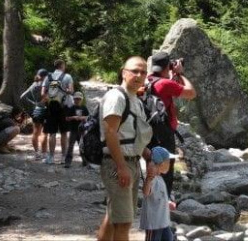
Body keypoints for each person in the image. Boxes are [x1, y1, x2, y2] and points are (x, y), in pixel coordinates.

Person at [97, 56, 153, 241]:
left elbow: (130, 135)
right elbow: (110, 132)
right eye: (134, 71)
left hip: (132, 163)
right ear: (124, 72)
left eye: (143, 72)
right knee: (124, 223)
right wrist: (121, 167)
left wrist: (147, 156)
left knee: (114, 218)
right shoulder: (116, 96)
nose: (139, 75)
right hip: (117, 164)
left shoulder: (135, 100)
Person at [147, 51, 196, 199]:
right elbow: (191, 93)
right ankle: (164, 203)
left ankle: (153, 197)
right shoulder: (165, 83)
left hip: (149, 131)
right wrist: (180, 74)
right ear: (167, 67)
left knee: (153, 166)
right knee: (166, 170)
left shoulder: (147, 81)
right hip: (164, 134)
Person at [40, 59, 74, 165]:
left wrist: (49, 99)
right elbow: (71, 91)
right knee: (64, 133)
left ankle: (50, 157)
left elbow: (42, 93)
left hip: (51, 107)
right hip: (64, 107)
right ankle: (63, 157)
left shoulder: (48, 77)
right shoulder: (67, 77)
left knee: (52, 133)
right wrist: (64, 90)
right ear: (62, 66)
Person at [140, 146, 178, 241]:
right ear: (160, 164)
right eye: (168, 162)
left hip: (163, 221)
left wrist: (167, 203)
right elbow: (145, 192)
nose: (169, 164)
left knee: (169, 238)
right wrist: (148, 179)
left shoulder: (160, 179)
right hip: (153, 224)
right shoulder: (152, 179)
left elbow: (159, 196)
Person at [20, 68, 48, 160]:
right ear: (45, 76)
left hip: (36, 111)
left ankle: (37, 153)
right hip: (45, 110)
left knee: (35, 133)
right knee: (44, 132)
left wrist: (30, 110)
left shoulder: (33, 85)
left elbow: (22, 97)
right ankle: (44, 154)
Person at [63, 90, 89, 168]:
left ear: (81, 99)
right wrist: (73, 117)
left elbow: (88, 117)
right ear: (73, 99)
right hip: (73, 130)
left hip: (82, 130)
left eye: (79, 99)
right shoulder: (71, 108)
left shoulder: (84, 108)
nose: (77, 100)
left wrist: (82, 118)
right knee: (71, 145)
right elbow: (67, 118)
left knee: (82, 145)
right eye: (76, 99)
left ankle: (85, 161)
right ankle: (68, 162)